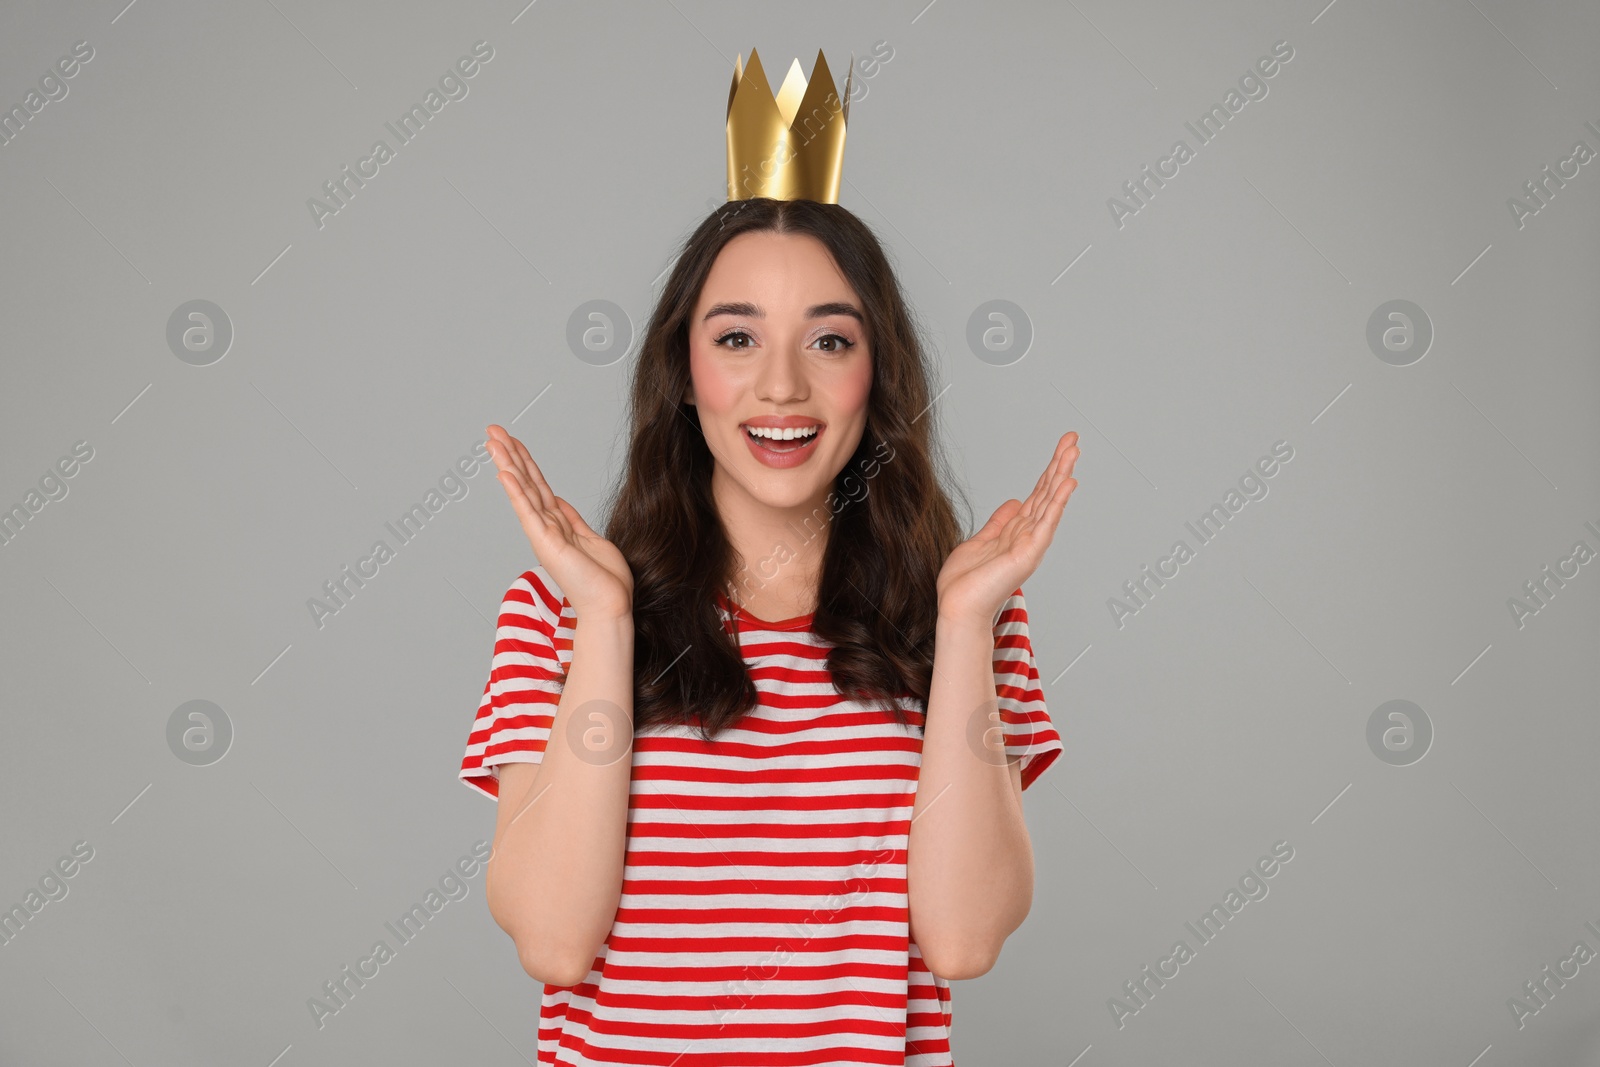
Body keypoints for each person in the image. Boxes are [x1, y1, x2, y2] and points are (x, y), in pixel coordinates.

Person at [457, 193, 1079, 1065]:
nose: (782, 385)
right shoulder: (555, 614)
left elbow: (963, 940)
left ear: (879, 372)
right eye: (736, 337)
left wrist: (968, 623)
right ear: (683, 369)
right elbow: (555, 943)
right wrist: (607, 622)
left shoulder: (958, 618)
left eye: (830, 340)